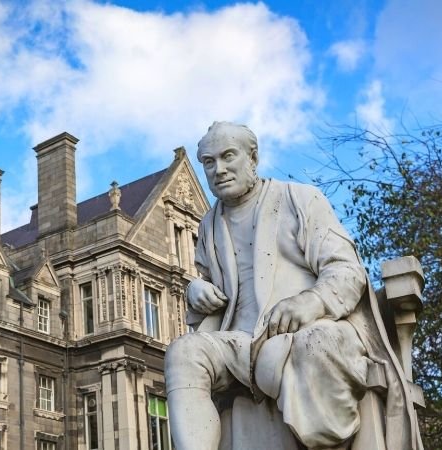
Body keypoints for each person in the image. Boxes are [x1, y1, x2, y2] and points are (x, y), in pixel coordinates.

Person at [164, 122, 419, 450]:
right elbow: (214, 288)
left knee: (316, 346)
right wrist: (195, 290)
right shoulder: (209, 225)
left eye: (228, 157)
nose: (219, 169)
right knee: (183, 353)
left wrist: (310, 302)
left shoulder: (300, 199)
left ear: (252, 158)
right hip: (240, 344)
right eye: (209, 162)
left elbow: (346, 269)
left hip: (309, 330)